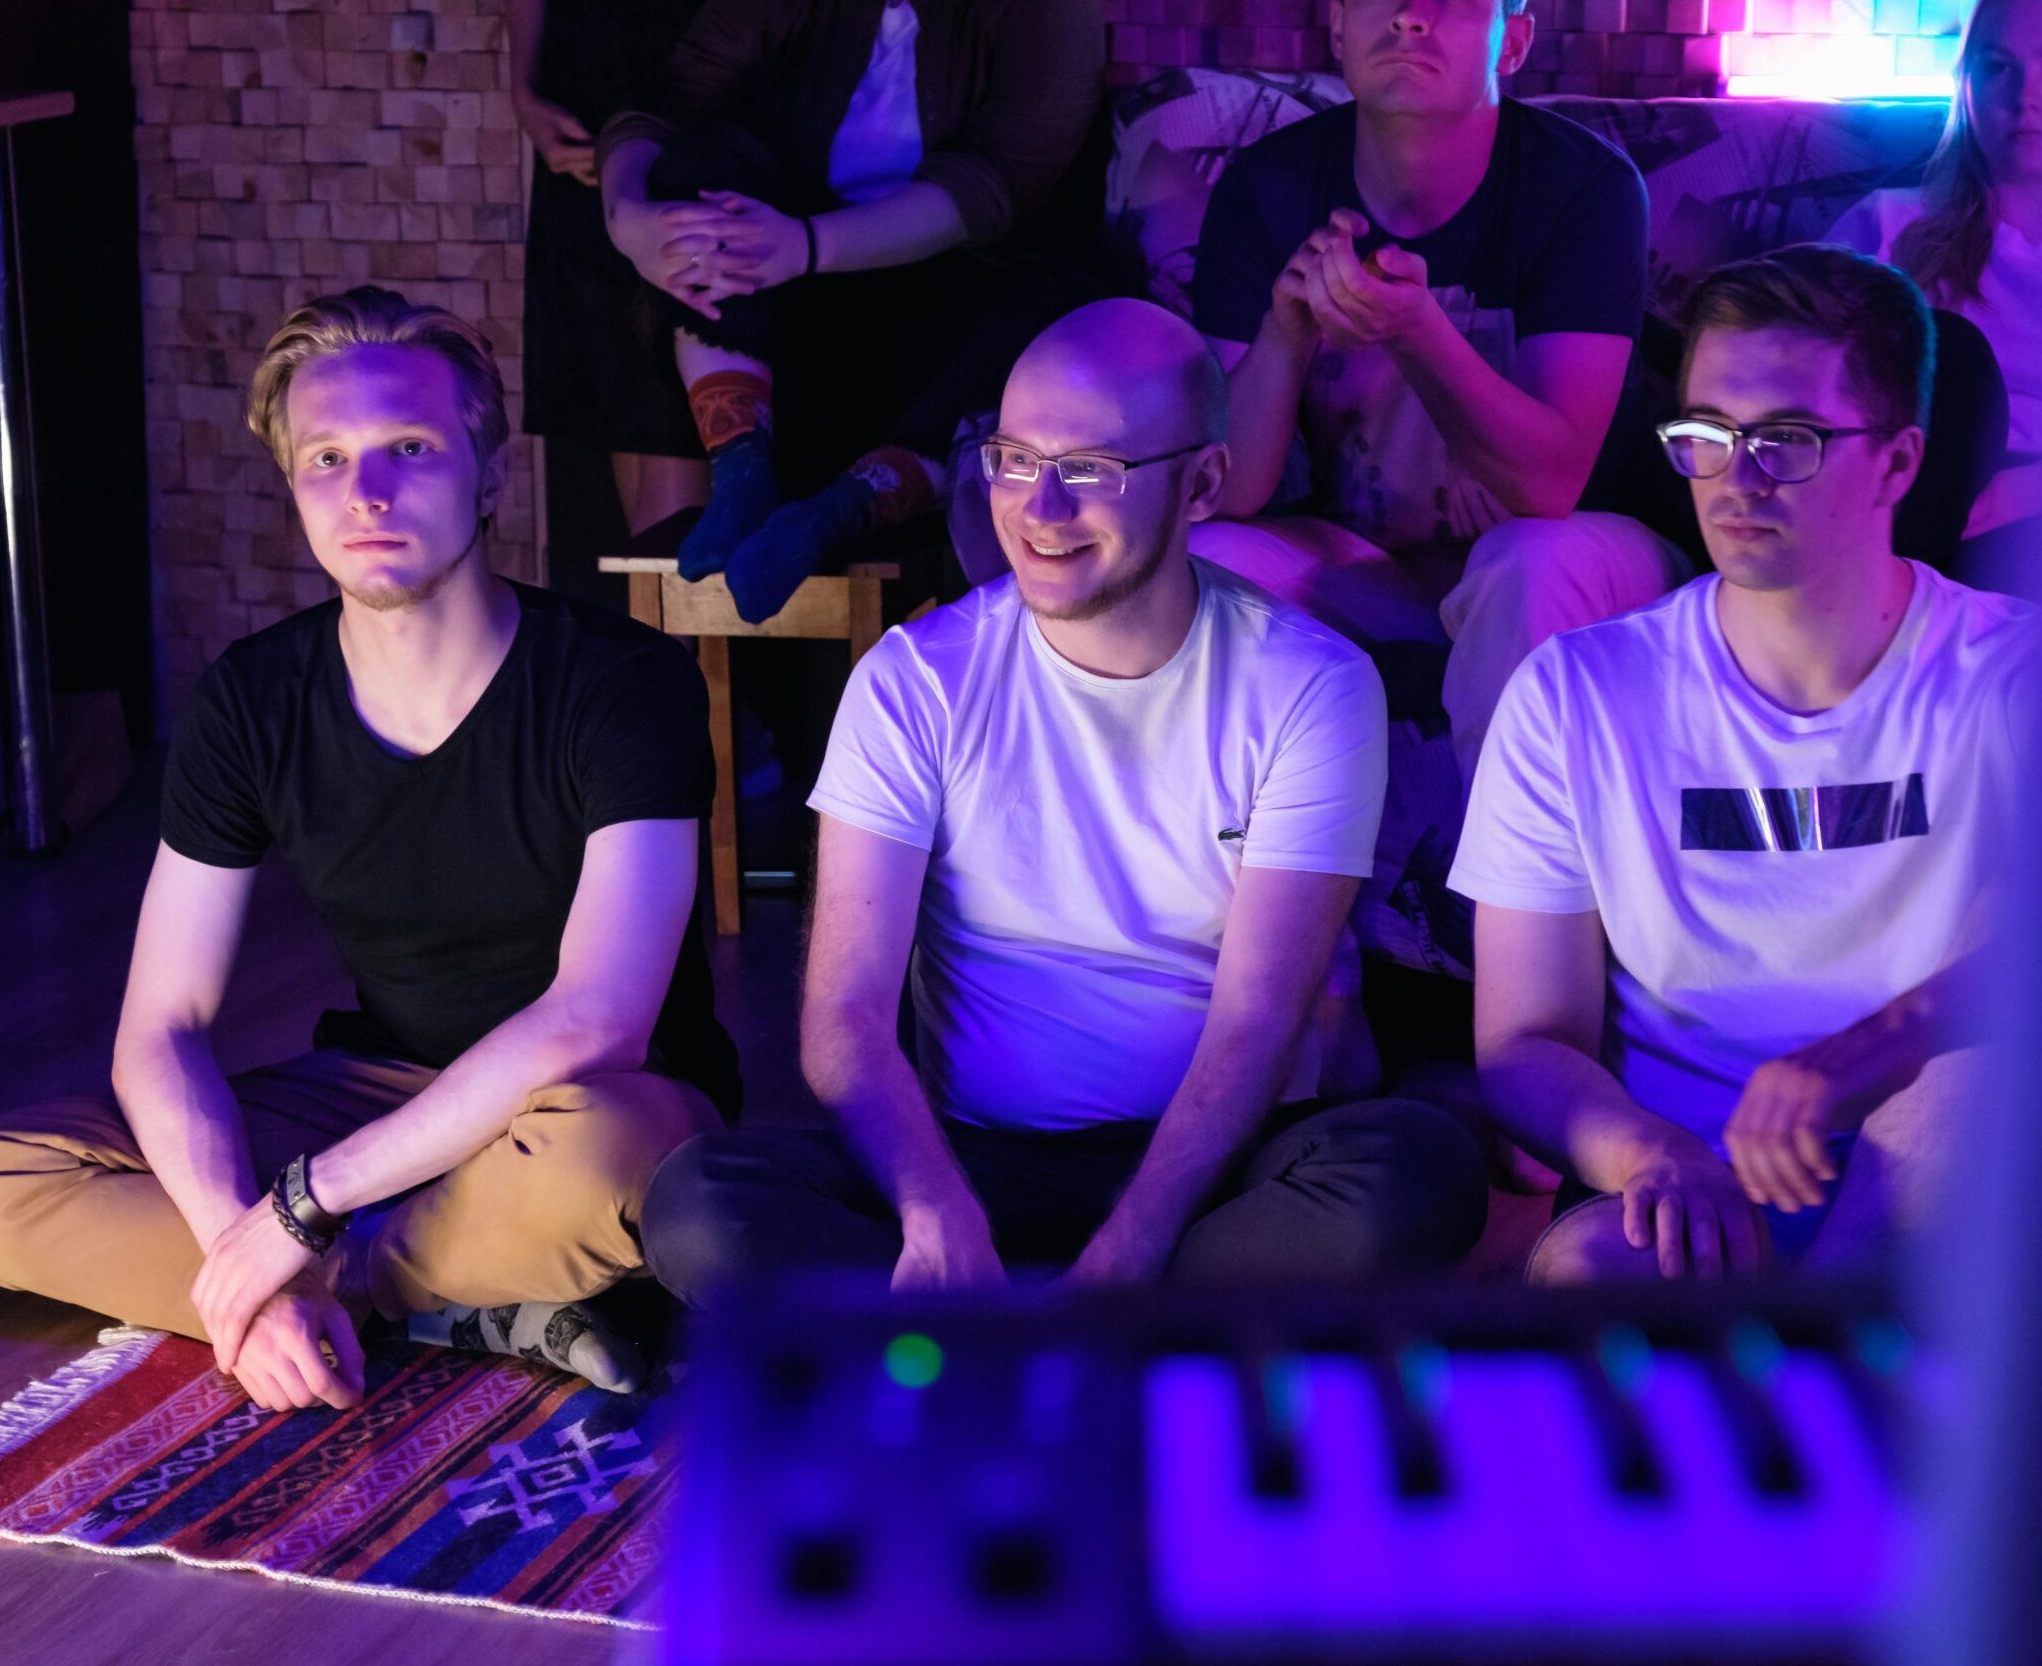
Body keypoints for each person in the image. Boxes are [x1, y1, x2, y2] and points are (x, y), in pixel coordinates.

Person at [0, 289, 738, 1409]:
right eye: (326, 460)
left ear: (489, 473)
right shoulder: (253, 700)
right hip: (373, 1092)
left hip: (579, 1106)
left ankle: (350, 1283)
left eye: (409, 448)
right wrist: (248, 1243)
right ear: (295, 493)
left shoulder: (622, 686)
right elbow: (159, 1031)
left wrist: (301, 1213)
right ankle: (436, 1303)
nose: (366, 492)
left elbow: (595, 1018)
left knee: (628, 1159)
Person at [637, 300, 1488, 1301]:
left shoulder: (1308, 684)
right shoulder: (918, 678)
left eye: (1089, 470)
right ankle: (1107, 1330)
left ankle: (1015, 1328)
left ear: (1202, 483)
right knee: (701, 1207)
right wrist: (929, 1208)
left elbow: (1257, 1019)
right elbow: (844, 1014)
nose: (1037, 511)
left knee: (1415, 1176)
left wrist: (1130, 1250)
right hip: (974, 1163)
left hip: (1210, 1170)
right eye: (1012, 459)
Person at [1456, 245, 2036, 1281]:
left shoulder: (2020, 672)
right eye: (1707, 437)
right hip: (1701, 1181)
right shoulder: (1577, 694)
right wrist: (1648, 1156)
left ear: (1897, 463)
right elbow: (1521, 1044)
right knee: (1585, 1276)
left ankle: (1840, 1322)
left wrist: (1861, 1060)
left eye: (1788, 440)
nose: (1736, 478)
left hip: (1953, 1164)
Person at [1187, 0, 1684, 783]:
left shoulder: (1585, 189)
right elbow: (1227, 492)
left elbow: (1549, 488)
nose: (1411, 15)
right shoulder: (1266, 189)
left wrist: (1418, 331)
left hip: (1580, 553)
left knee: (1525, 567)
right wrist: (1283, 336)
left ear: (1512, 42)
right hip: (1370, 559)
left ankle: (1513, 897)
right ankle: (1240, 889)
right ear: (1338, 27)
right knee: (1213, 563)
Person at [593, 0, 1105, 623]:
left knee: (1064, 306)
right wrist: (628, 219)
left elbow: (993, 185)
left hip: (953, 307)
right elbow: (665, 108)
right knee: (704, 168)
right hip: (795, 326)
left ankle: (842, 512)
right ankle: (740, 470)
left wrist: (805, 246)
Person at [1830, 0, 2042, 594]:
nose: (2025, 95)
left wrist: (2024, 491)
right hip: (1897, 492)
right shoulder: (1890, 226)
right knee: (1939, 354)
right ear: (1968, 82)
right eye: (1999, 66)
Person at [507, 0, 738, 554]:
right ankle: (665, 637)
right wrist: (524, 84)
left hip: (713, 56)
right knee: (625, 398)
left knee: (672, 407)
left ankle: (671, 638)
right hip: (592, 71)